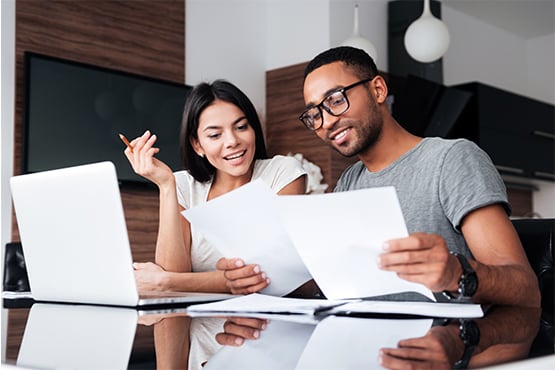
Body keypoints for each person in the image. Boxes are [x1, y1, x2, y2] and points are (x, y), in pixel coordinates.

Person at [218, 46, 540, 308]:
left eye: (335, 100)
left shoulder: (451, 159)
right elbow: (334, 284)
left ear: (378, 89)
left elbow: (524, 288)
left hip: (448, 345)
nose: (326, 122)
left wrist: (457, 273)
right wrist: (260, 277)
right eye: (314, 114)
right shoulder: (349, 181)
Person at [123, 79, 307, 294]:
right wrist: (166, 186)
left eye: (241, 127)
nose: (232, 141)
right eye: (215, 135)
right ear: (197, 145)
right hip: (197, 324)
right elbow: (172, 271)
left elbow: (266, 275)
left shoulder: (283, 173)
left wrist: (167, 282)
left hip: (264, 322)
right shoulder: (183, 185)